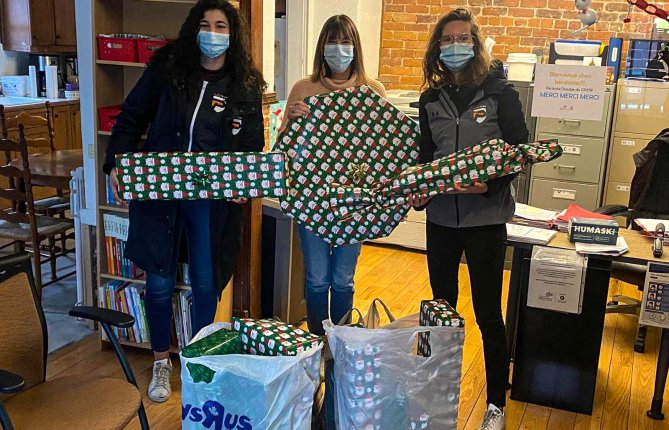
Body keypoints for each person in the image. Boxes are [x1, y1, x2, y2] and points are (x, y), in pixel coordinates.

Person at [103, 0, 265, 403]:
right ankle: (161, 360)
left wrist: (243, 184)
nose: (213, 33)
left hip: (209, 201)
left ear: (233, 35)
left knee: (205, 283)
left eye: (221, 26)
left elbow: (252, 146)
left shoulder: (243, 84)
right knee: (158, 282)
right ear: (195, 28)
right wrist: (115, 164)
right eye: (206, 24)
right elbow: (130, 117)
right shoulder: (167, 69)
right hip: (161, 196)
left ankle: (199, 360)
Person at [411, 8, 529, 430]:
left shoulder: (500, 93)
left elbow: (519, 153)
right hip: (441, 219)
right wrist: (421, 192)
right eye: (447, 39)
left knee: (487, 313)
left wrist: (489, 187)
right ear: (438, 48)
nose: (455, 45)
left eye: (463, 38)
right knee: (439, 309)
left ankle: (496, 402)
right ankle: (432, 392)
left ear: (475, 44)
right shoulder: (429, 99)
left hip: (485, 219)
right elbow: (425, 157)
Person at [279, 14, 386, 337]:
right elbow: (284, 151)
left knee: (342, 279)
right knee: (316, 279)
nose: (339, 48)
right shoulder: (303, 88)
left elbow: (383, 151)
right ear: (321, 46)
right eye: (333, 41)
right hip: (312, 201)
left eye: (345, 41)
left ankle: (340, 343)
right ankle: (315, 341)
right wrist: (292, 121)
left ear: (356, 47)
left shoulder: (372, 90)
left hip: (354, 202)